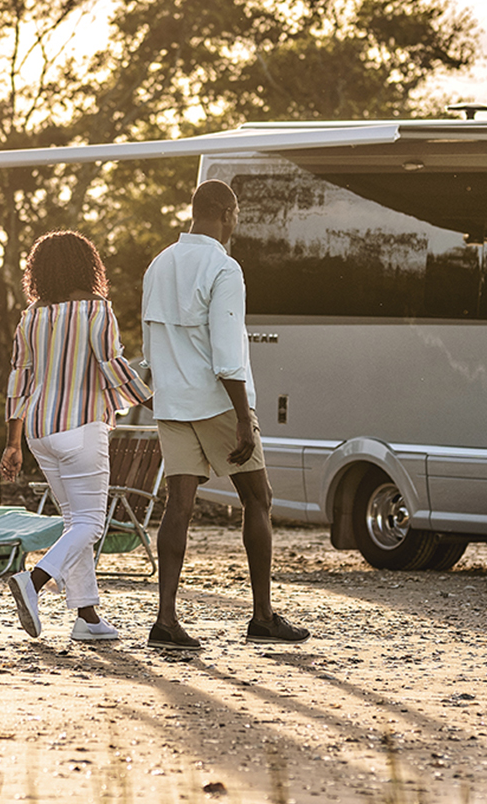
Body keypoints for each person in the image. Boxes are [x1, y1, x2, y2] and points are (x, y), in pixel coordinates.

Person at [142, 179, 310, 651]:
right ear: (225, 212)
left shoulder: (158, 265)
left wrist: (163, 392)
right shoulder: (224, 268)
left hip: (172, 403)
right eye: (235, 214)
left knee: (179, 506)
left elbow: (150, 344)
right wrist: (243, 416)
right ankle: (262, 616)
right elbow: (226, 352)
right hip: (218, 402)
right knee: (259, 498)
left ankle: (166, 620)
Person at [1, 231, 154, 642]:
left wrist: (13, 442)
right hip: (80, 426)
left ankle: (87, 616)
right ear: (86, 265)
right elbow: (111, 363)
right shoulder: (95, 310)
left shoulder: (30, 317)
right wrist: (151, 399)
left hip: (37, 431)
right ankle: (32, 582)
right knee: (91, 523)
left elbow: (19, 377)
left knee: (75, 522)